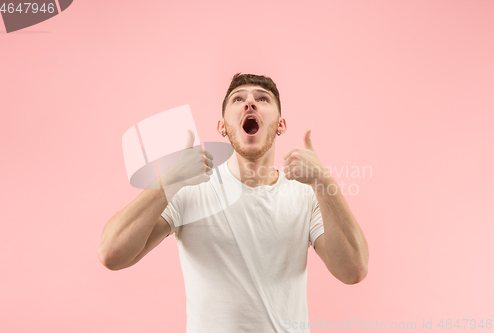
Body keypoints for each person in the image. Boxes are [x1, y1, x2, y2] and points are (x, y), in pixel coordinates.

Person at [98, 73, 369, 333]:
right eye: (238, 99)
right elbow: (112, 254)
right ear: (222, 127)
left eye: (262, 99)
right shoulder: (190, 190)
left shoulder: (306, 194)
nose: (250, 102)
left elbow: (353, 270)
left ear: (281, 124)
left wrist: (324, 181)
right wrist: (168, 181)